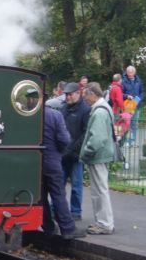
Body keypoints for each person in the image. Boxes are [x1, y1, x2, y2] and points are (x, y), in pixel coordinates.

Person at [35, 90, 83, 239]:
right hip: (52, 160)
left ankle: (48, 227)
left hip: (34, 163)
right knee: (58, 194)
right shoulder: (55, 115)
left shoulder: (28, 116)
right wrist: (60, 152)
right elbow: (64, 139)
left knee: (41, 196)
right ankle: (68, 228)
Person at [80, 82, 115, 235]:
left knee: (100, 190)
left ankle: (105, 224)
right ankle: (102, 222)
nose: (84, 100)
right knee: (99, 189)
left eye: (85, 96)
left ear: (93, 95)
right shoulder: (103, 108)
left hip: (97, 156)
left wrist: (86, 153)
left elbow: (97, 139)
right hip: (101, 155)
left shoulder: (99, 112)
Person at [60, 82, 90, 221]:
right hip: (63, 153)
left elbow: (85, 133)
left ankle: (76, 212)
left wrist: (72, 148)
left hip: (76, 155)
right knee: (59, 184)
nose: (67, 97)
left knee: (76, 186)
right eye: (66, 94)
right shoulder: (64, 108)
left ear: (78, 93)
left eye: (70, 94)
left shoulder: (85, 110)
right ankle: (58, 209)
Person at [121, 65, 144, 146]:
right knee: (127, 123)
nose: (130, 74)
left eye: (132, 72)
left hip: (136, 106)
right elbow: (121, 93)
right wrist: (127, 96)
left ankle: (132, 140)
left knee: (134, 123)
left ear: (134, 72)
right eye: (129, 72)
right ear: (126, 73)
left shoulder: (139, 81)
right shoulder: (123, 81)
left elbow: (142, 92)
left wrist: (139, 99)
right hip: (127, 106)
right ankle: (126, 141)